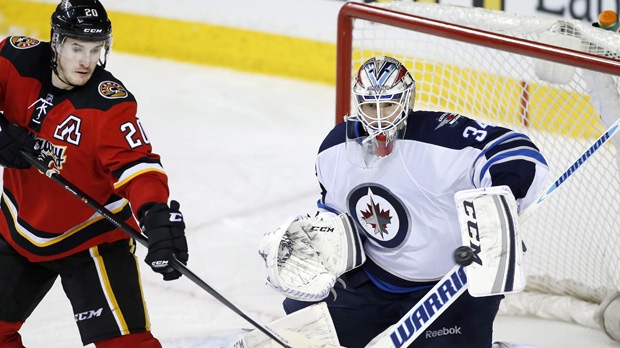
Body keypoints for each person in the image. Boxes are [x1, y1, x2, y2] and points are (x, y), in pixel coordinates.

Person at [277, 56, 550, 347]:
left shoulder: (440, 135)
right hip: (373, 280)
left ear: (407, 101)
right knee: (303, 332)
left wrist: (495, 205)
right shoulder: (334, 150)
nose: (379, 117)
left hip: (449, 287)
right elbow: (336, 219)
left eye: (389, 105)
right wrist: (313, 247)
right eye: (370, 106)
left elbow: (516, 151)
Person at [0, 1, 188, 347]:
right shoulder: (14, 59)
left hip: (92, 240)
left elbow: (138, 166)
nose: (87, 61)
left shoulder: (109, 104)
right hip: (17, 229)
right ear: (55, 42)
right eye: (76, 47)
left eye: (95, 49)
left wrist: (155, 215)